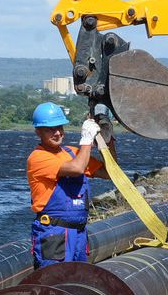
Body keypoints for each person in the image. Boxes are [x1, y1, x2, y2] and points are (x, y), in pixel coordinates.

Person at [26, 102, 112, 269]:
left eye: (59, 127)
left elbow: (109, 172)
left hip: (79, 233)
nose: (57, 133)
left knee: (77, 282)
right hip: (54, 233)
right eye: (50, 129)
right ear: (38, 132)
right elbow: (77, 168)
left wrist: (107, 141)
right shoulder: (38, 158)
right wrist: (86, 139)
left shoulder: (72, 153)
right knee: (55, 283)